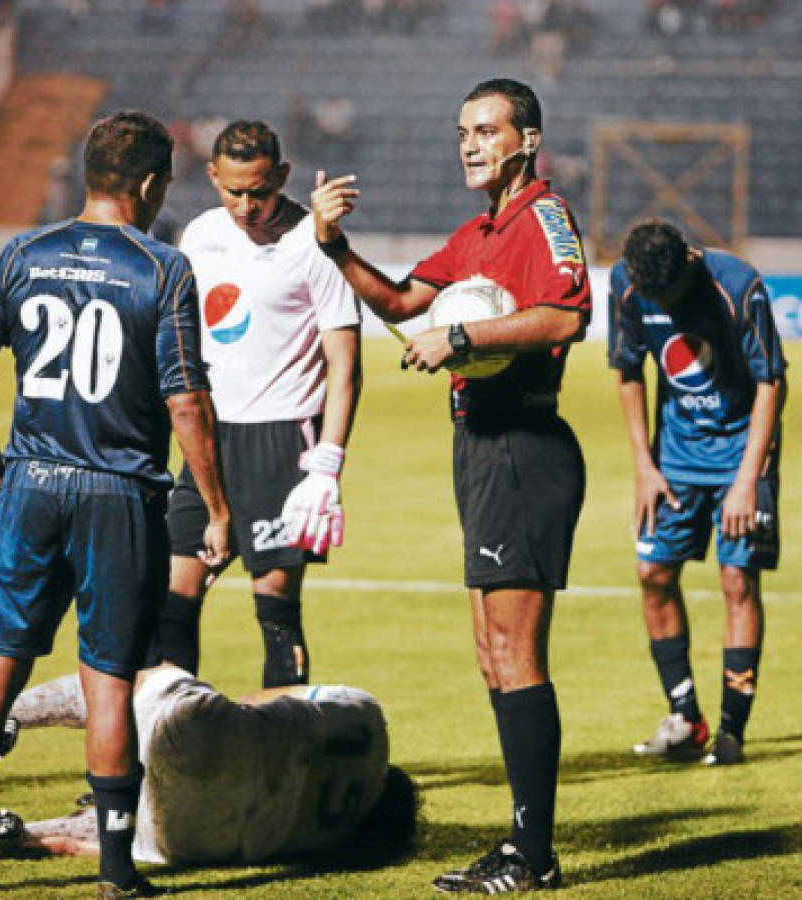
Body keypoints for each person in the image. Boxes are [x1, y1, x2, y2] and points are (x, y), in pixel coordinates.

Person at [0, 110, 230, 900]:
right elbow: (187, 402)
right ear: (148, 184)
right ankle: (117, 877)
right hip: (120, 496)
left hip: (31, 487)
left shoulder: (21, 254)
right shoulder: (163, 268)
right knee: (108, 681)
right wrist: (213, 506)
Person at [311, 77, 589, 893]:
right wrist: (332, 246)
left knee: (515, 653)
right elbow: (400, 302)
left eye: (486, 130)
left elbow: (568, 315)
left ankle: (532, 858)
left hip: (523, 444)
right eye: (462, 131)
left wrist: (460, 333)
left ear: (526, 140)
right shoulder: (476, 232)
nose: (469, 143)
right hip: (479, 446)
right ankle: (520, 846)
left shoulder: (544, 217)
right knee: (490, 656)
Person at [157, 119, 361, 687]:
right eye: (234, 191)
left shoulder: (317, 245)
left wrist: (328, 461)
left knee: (274, 608)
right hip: (209, 438)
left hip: (283, 439)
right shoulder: (199, 236)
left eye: (261, 192)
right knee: (174, 598)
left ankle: (284, 760)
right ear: (212, 176)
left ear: (284, 176)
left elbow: (345, 363)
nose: (247, 206)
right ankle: (171, 757)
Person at [0, 669, 415, 869]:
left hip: (210, 737)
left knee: (140, 678)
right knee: (124, 834)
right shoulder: (334, 843)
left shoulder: (368, 716)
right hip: (201, 844)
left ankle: (4, 719)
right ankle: (21, 834)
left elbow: (261, 698)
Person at [608, 219, 786, 766]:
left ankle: (732, 730)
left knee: (737, 581)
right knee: (653, 574)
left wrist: (746, 482)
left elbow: (771, 382)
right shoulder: (627, 284)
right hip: (675, 461)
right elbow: (627, 369)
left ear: (690, 259)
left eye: (674, 295)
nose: (667, 304)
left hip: (740, 454)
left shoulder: (737, 285)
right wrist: (644, 465)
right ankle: (685, 716)